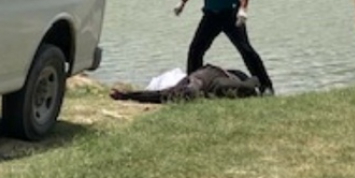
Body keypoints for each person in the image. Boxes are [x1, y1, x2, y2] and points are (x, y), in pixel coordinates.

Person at [110, 64, 261, 103]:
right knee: (167, 95)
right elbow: (157, 95)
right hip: (205, 74)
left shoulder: (220, 84)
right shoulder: (185, 86)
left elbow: (253, 82)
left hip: (234, 74)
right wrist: (125, 96)